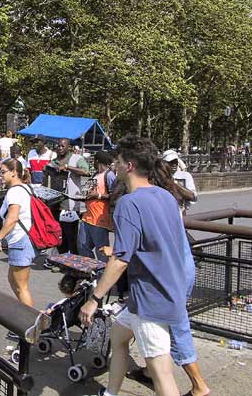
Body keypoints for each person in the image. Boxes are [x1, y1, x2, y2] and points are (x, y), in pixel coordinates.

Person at [79, 135, 194, 396]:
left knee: (162, 376)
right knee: (119, 338)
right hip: (166, 292)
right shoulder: (166, 196)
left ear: (129, 165)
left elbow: (121, 259)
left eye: (117, 161)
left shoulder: (128, 204)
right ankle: (110, 393)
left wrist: (94, 298)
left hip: (150, 300)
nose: (114, 166)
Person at [0, 159, 36, 311]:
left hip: (20, 241)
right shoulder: (24, 188)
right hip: (22, 240)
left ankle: (31, 324)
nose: (0, 175)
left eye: (3, 172)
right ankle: (24, 316)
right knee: (13, 280)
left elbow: (12, 218)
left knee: (21, 286)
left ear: (14, 172)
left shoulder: (15, 191)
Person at [46, 138, 90, 254]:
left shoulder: (77, 159)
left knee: (71, 234)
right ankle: (62, 260)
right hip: (55, 203)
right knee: (59, 233)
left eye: (62, 146)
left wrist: (67, 167)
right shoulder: (53, 162)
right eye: (58, 146)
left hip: (71, 203)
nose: (59, 148)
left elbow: (86, 172)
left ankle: (74, 262)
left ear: (69, 147)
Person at [78, 151, 115, 261]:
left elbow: (114, 195)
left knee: (101, 251)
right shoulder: (95, 175)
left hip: (100, 219)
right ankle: (91, 272)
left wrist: (98, 195)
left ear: (97, 161)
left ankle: (102, 275)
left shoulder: (109, 175)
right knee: (82, 246)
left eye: (93, 160)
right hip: (87, 217)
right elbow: (88, 191)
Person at [162, 149, 197, 215]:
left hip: (180, 211)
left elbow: (193, 197)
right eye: (171, 162)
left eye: (176, 161)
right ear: (164, 162)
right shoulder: (159, 176)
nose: (174, 164)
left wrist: (174, 182)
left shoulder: (185, 175)